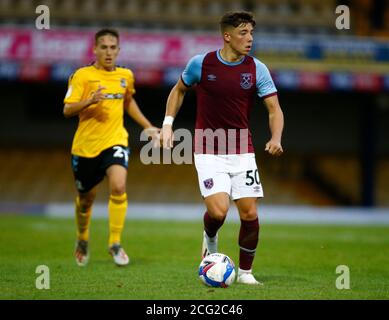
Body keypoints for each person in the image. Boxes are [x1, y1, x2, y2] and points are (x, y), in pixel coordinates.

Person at [161, 12, 284, 285]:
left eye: (251, 32)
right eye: (243, 33)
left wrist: (276, 138)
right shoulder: (201, 64)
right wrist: (168, 124)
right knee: (218, 212)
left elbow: (274, 108)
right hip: (208, 148)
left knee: (250, 213)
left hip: (242, 149)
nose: (249, 38)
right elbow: (178, 90)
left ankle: (246, 273)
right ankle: (210, 235)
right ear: (227, 36)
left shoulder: (257, 69)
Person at [63, 29, 159, 267]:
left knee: (119, 185)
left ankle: (115, 242)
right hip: (86, 148)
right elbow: (67, 109)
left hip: (116, 140)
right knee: (86, 200)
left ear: (118, 50)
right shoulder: (82, 76)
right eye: (103, 47)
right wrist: (89, 101)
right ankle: (82, 238)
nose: (108, 52)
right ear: (94, 49)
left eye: (112, 47)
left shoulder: (126, 75)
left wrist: (147, 126)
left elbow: (128, 101)